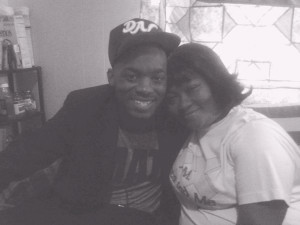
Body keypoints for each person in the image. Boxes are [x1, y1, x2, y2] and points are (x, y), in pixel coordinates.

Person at [0, 18, 187, 225]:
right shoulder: (84, 106)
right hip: (85, 213)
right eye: (132, 77)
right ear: (112, 77)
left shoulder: (176, 115)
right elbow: (29, 151)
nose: (145, 88)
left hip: (146, 218)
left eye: (157, 78)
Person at [166, 42, 300, 225]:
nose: (183, 103)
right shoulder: (199, 129)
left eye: (192, 89)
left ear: (215, 82)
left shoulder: (255, 135)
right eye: (173, 98)